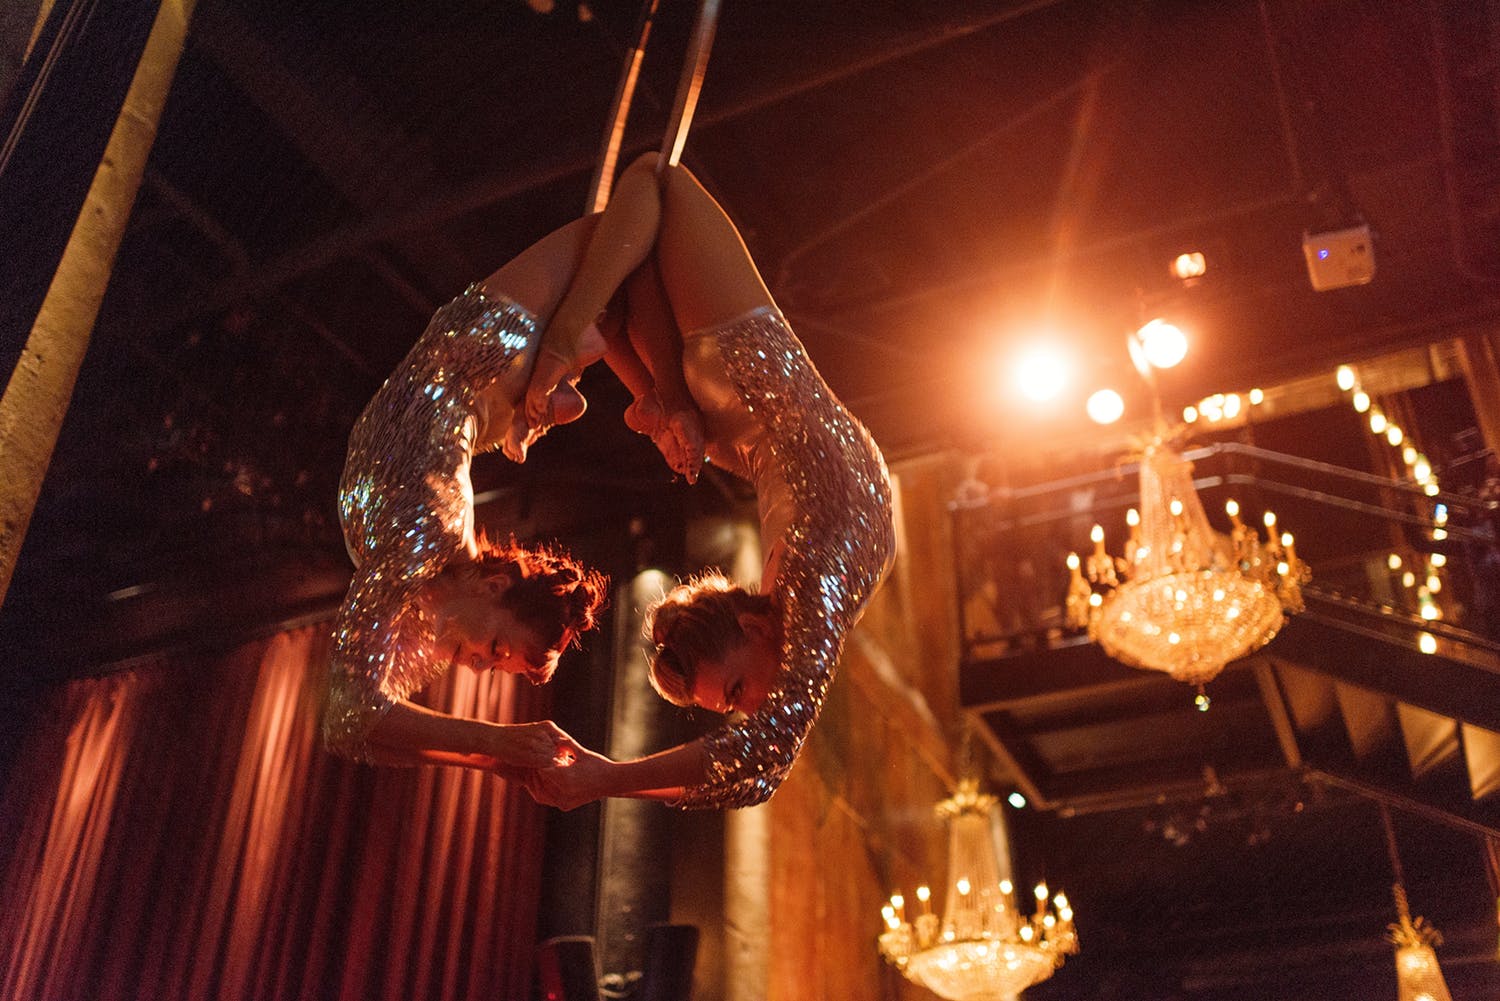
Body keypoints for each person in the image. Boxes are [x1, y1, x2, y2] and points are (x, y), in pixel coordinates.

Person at [519, 154, 897, 809]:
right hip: (750, 372)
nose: (747, 709)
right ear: (749, 634)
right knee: (656, 181)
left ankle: (647, 388)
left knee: (623, 273)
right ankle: (580, 345)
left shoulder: (791, 595)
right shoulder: (814, 594)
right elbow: (766, 759)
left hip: (740, 428)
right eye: (736, 693)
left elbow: (756, 765)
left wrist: (671, 401)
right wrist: (605, 778)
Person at [323, 164, 667, 772]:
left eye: (494, 663)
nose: (479, 666)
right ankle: (569, 362)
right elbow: (349, 712)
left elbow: (356, 735)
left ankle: (557, 379)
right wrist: (496, 743)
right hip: (481, 345)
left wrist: (490, 753)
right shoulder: (421, 542)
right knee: (629, 220)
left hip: (481, 393)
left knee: (609, 289)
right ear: (493, 586)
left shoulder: (420, 588)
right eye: (497, 646)